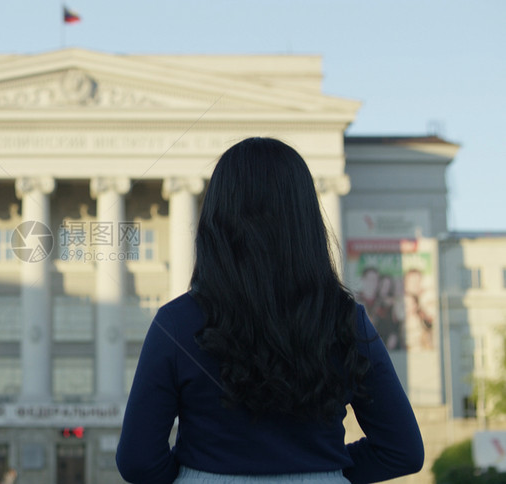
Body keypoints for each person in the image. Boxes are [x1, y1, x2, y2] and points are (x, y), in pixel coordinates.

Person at [117, 138, 423, 483]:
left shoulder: (176, 322)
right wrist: (326, 470)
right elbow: (402, 451)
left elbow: (137, 461)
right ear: (305, 220)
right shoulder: (346, 320)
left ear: (216, 221)